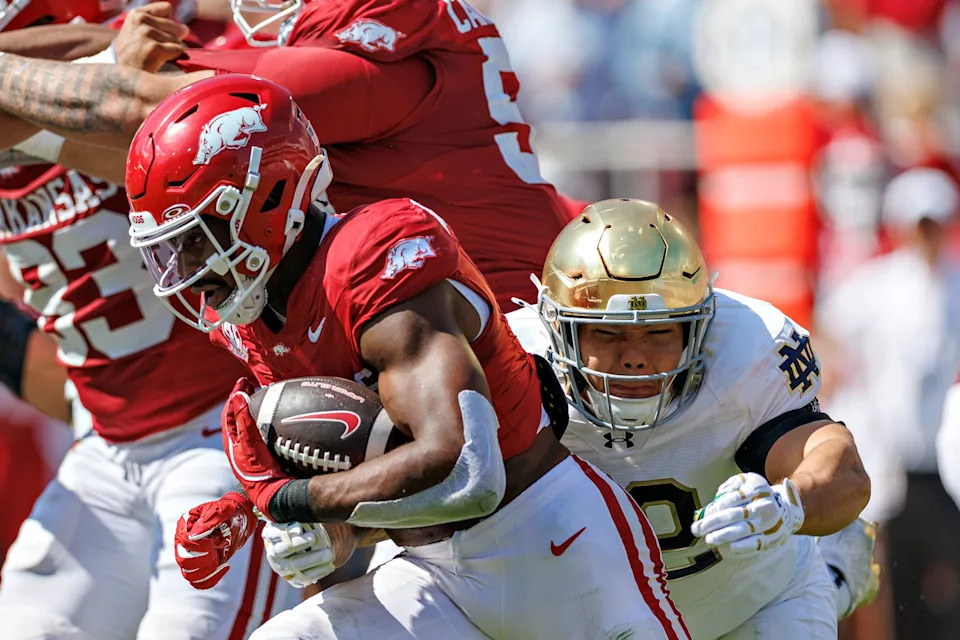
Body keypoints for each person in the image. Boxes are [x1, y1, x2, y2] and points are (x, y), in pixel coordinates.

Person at [128, 73, 689, 639]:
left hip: (550, 541)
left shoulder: (375, 254)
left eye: (196, 237)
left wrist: (294, 499)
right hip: (432, 574)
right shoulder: (254, 323)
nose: (187, 271)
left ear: (266, 197)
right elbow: (370, 486)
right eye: (170, 249)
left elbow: (469, 472)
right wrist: (306, 534)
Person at [0, 4, 299, 638]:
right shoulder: (103, 57)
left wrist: (93, 70)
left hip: (218, 431)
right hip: (105, 445)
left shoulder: (145, 66)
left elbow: (139, 103)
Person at [0, 0, 573, 309]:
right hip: (441, 301)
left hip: (496, 327)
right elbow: (140, 40)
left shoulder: (364, 68)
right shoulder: (395, 29)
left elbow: (133, 107)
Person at [819, 167, 960, 639]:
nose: (927, 235)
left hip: (936, 459)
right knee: (885, 578)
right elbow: (827, 334)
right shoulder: (877, 285)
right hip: (886, 456)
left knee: (934, 579)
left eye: (933, 223)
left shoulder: (953, 283)